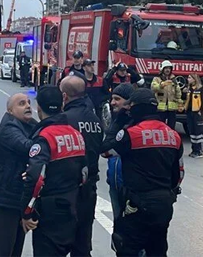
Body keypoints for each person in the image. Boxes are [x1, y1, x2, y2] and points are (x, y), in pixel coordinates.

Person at [101, 88, 184, 256]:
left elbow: (105, 151)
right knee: (158, 247)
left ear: (136, 108)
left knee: (128, 246)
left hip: (138, 202)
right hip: (163, 202)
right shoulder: (173, 135)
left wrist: (118, 120)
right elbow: (179, 173)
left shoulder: (131, 135)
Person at [21, 85, 87, 257]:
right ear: (61, 105)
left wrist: (26, 212)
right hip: (74, 206)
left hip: (51, 211)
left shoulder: (45, 137)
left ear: (39, 108)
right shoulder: (76, 134)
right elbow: (84, 172)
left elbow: (35, 177)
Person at [0, 93, 37, 257]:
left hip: (17, 199)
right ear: (10, 111)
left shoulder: (28, 124)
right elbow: (29, 147)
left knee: (15, 249)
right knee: (1, 250)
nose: (28, 106)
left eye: (28, 102)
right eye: (21, 103)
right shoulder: (9, 128)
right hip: (4, 200)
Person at [61, 75, 103, 257]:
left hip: (67, 188)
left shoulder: (64, 120)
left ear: (64, 96)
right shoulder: (95, 120)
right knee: (83, 241)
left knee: (61, 241)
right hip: (90, 187)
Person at [102, 83, 134, 221]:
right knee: (118, 229)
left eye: (117, 99)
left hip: (131, 189)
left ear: (128, 102)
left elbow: (105, 150)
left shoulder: (135, 124)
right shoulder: (115, 120)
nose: (112, 102)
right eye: (112, 98)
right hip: (115, 185)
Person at [150, 60, 181, 129]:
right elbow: (153, 88)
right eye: (166, 68)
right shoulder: (157, 79)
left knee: (172, 127)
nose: (168, 70)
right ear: (162, 69)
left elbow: (178, 91)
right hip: (161, 108)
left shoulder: (173, 79)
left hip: (172, 108)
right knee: (160, 126)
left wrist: (179, 100)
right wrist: (161, 85)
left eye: (169, 68)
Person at [182, 73, 203, 158]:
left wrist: (201, 111)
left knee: (198, 132)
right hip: (190, 112)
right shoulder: (189, 89)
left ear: (195, 79)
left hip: (197, 113)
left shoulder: (200, 89)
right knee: (192, 132)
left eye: (190, 78)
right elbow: (186, 99)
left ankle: (199, 150)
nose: (188, 79)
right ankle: (194, 150)